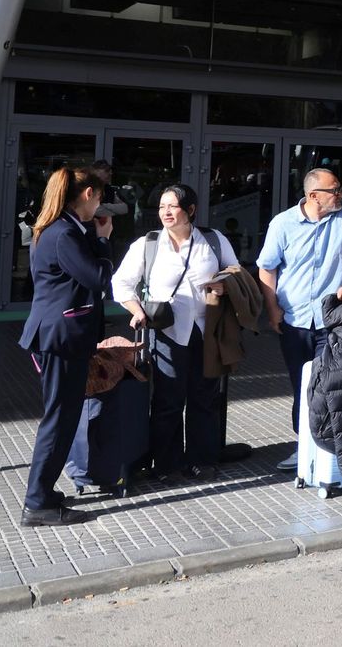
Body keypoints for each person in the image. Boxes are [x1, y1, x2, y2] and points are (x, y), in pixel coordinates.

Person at [112, 184, 236, 481]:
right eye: (162, 207)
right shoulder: (148, 243)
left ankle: (202, 459)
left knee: (205, 398)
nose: (166, 212)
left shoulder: (213, 239)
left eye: (173, 206)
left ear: (190, 210)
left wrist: (224, 284)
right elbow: (121, 284)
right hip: (166, 330)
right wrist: (137, 311)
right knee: (168, 400)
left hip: (209, 329)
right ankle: (167, 464)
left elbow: (235, 271)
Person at [256, 167, 342, 470]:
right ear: (313, 196)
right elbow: (266, 268)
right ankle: (304, 446)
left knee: (332, 384)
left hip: (332, 319)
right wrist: (272, 311)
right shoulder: (282, 224)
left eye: (340, 188)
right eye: (335, 190)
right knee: (302, 385)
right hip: (295, 319)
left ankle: (331, 451)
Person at [20, 166, 113, 526]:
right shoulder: (63, 234)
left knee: (62, 417)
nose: (101, 204)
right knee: (59, 420)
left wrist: (95, 233)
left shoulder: (65, 228)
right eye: (100, 196)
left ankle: (42, 493)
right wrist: (104, 243)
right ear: (88, 194)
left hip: (60, 336)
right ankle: (37, 502)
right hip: (59, 339)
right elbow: (98, 277)